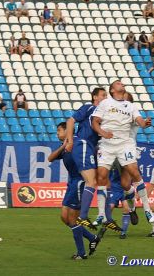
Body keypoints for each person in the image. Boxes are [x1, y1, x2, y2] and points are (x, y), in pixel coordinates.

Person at [91, 80, 154, 226]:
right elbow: (95, 121)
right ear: (112, 90)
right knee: (102, 175)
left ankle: (145, 209)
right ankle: (101, 213)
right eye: (119, 83)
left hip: (125, 145)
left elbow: (139, 121)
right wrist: (103, 132)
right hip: (107, 144)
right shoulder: (106, 103)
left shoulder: (131, 107)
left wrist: (145, 123)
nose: (122, 84)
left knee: (128, 181)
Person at [48, 122, 101, 260]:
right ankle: (92, 238)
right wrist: (63, 147)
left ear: (67, 130)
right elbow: (50, 158)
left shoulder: (78, 143)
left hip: (80, 182)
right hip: (71, 183)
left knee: (72, 219)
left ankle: (81, 253)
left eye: (59, 130)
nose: (57, 133)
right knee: (65, 218)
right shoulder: (66, 146)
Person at [65, 88, 112, 230]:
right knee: (91, 181)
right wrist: (70, 140)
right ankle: (83, 216)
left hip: (90, 148)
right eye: (103, 95)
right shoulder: (90, 107)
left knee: (101, 181)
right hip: (83, 143)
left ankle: (106, 217)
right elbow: (70, 120)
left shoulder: (103, 114)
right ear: (95, 97)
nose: (105, 98)